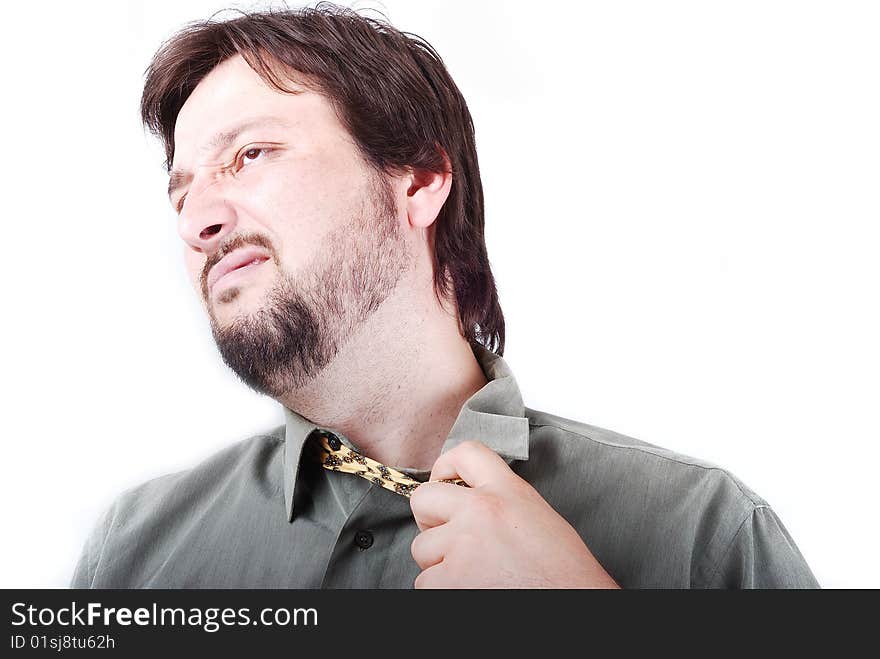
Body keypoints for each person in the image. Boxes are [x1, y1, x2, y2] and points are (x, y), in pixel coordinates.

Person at [70, 3, 818, 589]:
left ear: (420, 181)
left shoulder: (704, 534)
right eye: (183, 192)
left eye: (251, 154)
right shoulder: (132, 552)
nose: (199, 220)